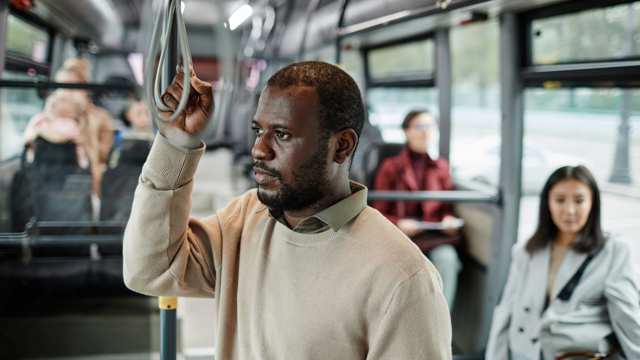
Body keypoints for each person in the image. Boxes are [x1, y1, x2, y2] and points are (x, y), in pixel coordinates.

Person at [123, 62, 452, 359]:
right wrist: (177, 142)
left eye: (281, 134)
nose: (259, 149)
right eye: (258, 131)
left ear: (341, 146)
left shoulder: (402, 278)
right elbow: (150, 270)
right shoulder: (244, 220)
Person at [486, 165, 640, 360]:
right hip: (524, 353)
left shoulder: (614, 251)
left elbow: (626, 316)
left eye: (579, 200)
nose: (569, 210)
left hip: (575, 354)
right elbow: (506, 311)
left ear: (593, 203)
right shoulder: (526, 250)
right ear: (547, 202)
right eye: (560, 200)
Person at [372, 109, 463, 308]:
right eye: (419, 127)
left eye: (430, 127)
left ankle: (441, 323)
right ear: (406, 132)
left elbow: (447, 208)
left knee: (448, 259)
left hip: (434, 237)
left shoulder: (441, 167)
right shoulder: (391, 167)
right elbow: (378, 211)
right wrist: (399, 224)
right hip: (402, 236)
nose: (426, 132)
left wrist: (448, 220)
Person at [55, 57, 114, 195]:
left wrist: (78, 118)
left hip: (88, 185)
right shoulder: (47, 118)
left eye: (71, 86)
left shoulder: (101, 118)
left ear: (83, 89)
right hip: (54, 183)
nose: (65, 93)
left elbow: (103, 157)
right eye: (61, 86)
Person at [23, 89, 89, 167]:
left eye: (64, 101)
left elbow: (79, 142)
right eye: (59, 100)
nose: (61, 104)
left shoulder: (72, 124)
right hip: (41, 161)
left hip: (64, 163)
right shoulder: (40, 119)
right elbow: (28, 138)